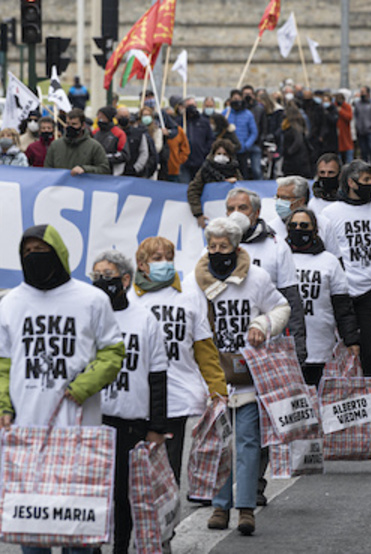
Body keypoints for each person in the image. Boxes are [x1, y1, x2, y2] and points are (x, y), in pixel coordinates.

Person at [0, 225, 125, 554]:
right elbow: (0, 362)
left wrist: (83, 386)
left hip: (79, 429)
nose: (34, 258)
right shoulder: (10, 303)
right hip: (28, 432)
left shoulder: (92, 300)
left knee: (78, 535)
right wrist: (3, 407)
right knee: (31, 533)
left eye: (41, 251)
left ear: (59, 253)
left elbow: (113, 352)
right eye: (27, 253)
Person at [195, 217, 290, 536]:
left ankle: (246, 508)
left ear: (236, 247)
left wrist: (261, 326)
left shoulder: (258, 277)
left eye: (223, 246)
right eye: (212, 246)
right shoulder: (197, 279)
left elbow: (281, 308)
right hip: (214, 376)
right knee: (220, 443)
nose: (217, 251)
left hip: (249, 373)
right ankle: (220, 507)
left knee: (248, 442)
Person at [129, 236, 228, 483]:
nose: (165, 263)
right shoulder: (130, 300)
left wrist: (218, 389)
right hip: (139, 397)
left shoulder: (190, 297)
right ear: (142, 265)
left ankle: (167, 519)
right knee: (137, 469)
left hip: (177, 397)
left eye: (169, 258)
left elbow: (205, 349)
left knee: (170, 470)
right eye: (157, 258)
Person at [90, 250, 167, 554]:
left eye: (105, 276)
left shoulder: (144, 318)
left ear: (124, 279)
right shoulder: (86, 314)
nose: (99, 282)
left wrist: (157, 426)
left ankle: (120, 548)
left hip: (130, 424)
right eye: (95, 276)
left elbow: (158, 376)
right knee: (93, 492)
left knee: (123, 496)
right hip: (92, 419)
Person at [321, 159, 371, 376]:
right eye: (366, 180)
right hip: (341, 291)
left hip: (369, 290)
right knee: (342, 345)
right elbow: (326, 254)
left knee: (370, 348)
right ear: (351, 183)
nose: (370, 184)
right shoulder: (331, 212)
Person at [225, 188, 307, 365]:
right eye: (231, 209)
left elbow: (291, 300)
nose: (236, 214)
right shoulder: (215, 248)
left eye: (242, 208)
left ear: (256, 212)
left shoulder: (276, 246)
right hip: (226, 348)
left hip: (267, 345)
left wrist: (297, 348)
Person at [286, 208, 360, 385]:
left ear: (315, 230)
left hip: (319, 346)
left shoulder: (329, 261)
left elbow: (342, 305)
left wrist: (351, 340)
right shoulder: (280, 257)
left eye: (304, 225)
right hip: (287, 346)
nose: (298, 229)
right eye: (293, 225)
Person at [187, 139, 242, 228]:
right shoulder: (205, 170)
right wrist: (198, 213)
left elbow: (242, 190)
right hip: (211, 215)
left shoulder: (234, 170)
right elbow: (193, 191)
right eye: (219, 153)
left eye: (225, 154)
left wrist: (235, 183)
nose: (221, 156)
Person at [44, 108, 110, 175]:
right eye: (67, 123)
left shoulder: (94, 146)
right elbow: (47, 170)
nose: (70, 127)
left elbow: (104, 169)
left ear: (83, 125)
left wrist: (85, 169)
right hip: (61, 185)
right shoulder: (55, 145)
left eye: (74, 124)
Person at [224, 89, 260, 180]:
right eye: (234, 98)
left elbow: (254, 132)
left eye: (238, 98)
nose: (236, 100)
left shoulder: (248, 114)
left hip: (242, 150)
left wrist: (246, 145)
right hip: (229, 150)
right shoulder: (226, 113)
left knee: (243, 173)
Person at [180, 97, 214, 183]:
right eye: (189, 105)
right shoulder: (180, 121)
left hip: (200, 160)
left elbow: (210, 139)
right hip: (184, 161)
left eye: (193, 105)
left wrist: (204, 151)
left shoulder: (204, 122)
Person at [269, 176, 311, 240]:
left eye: (284, 198)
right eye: (277, 197)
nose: (279, 202)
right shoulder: (270, 228)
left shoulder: (322, 226)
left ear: (301, 201)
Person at [94, 106, 129, 176]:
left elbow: (124, 155)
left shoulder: (119, 133)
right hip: (95, 171)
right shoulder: (95, 132)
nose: (99, 118)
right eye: (98, 115)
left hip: (112, 173)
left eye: (102, 116)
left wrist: (104, 158)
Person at [354, 86, 371, 169]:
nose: (362, 93)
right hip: (361, 131)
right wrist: (357, 125)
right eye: (361, 91)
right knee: (363, 150)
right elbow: (356, 115)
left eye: (363, 92)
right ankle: (364, 167)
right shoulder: (358, 104)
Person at [281, 102, 311, 179]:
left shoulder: (293, 128)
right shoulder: (299, 125)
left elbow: (298, 141)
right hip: (300, 158)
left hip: (295, 160)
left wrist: (289, 151)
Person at [335, 92, 355, 163]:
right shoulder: (334, 106)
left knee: (348, 150)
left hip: (346, 132)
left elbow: (349, 117)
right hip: (336, 133)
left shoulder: (347, 107)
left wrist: (341, 111)